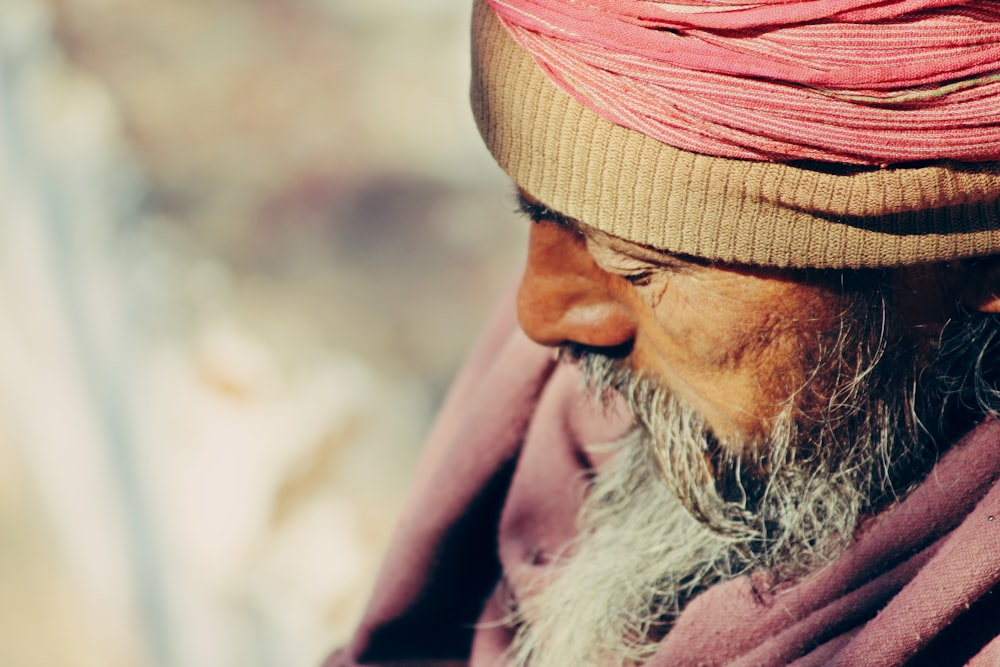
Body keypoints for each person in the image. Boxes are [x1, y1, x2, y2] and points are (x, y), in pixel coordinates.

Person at [326, 1, 1000, 664]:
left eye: (639, 267)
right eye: (538, 211)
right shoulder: (556, 429)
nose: (538, 315)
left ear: (975, 265)